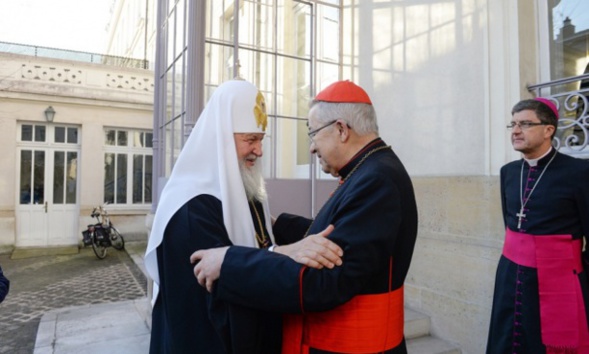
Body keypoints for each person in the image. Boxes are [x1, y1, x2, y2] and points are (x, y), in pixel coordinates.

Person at [191, 80, 419, 353]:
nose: (311, 148)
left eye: (312, 134)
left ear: (341, 130)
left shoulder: (377, 180)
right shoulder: (370, 169)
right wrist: (275, 224)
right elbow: (332, 234)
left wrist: (229, 262)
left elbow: (324, 281)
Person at [144, 79, 342, 354]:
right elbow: (213, 298)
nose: (259, 151)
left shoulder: (243, 190)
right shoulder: (189, 207)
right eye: (250, 139)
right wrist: (286, 253)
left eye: (260, 140)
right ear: (220, 138)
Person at [487, 98, 589, 353]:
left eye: (525, 123)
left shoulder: (579, 172)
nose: (516, 130)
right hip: (510, 276)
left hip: (561, 279)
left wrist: (577, 276)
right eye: (513, 123)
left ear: (548, 130)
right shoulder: (508, 172)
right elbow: (511, 225)